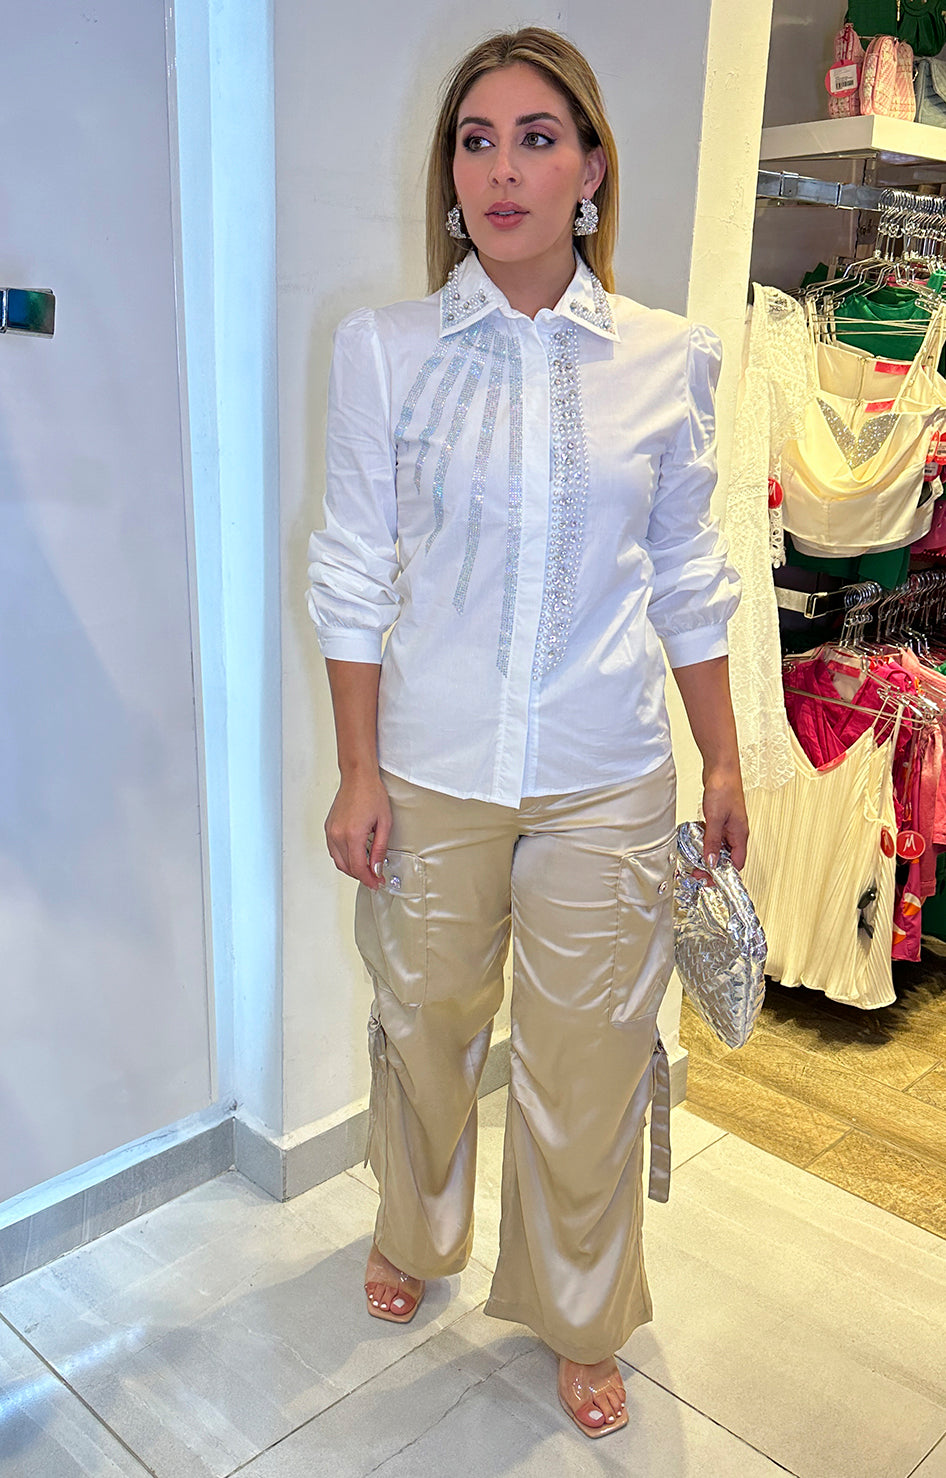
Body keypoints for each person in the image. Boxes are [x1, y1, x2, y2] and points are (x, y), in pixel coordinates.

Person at [307, 26, 747, 1441]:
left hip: (604, 776)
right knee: (425, 1023)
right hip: (430, 768)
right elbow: (351, 567)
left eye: (537, 138)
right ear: (450, 175)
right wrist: (358, 769)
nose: (501, 169)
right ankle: (416, 1231)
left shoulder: (666, 359)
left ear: (591, 168)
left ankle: (581, 1309)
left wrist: (724, 753)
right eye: (476, 140)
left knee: (588, 1063)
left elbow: (687, 572)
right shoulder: (385, 352)